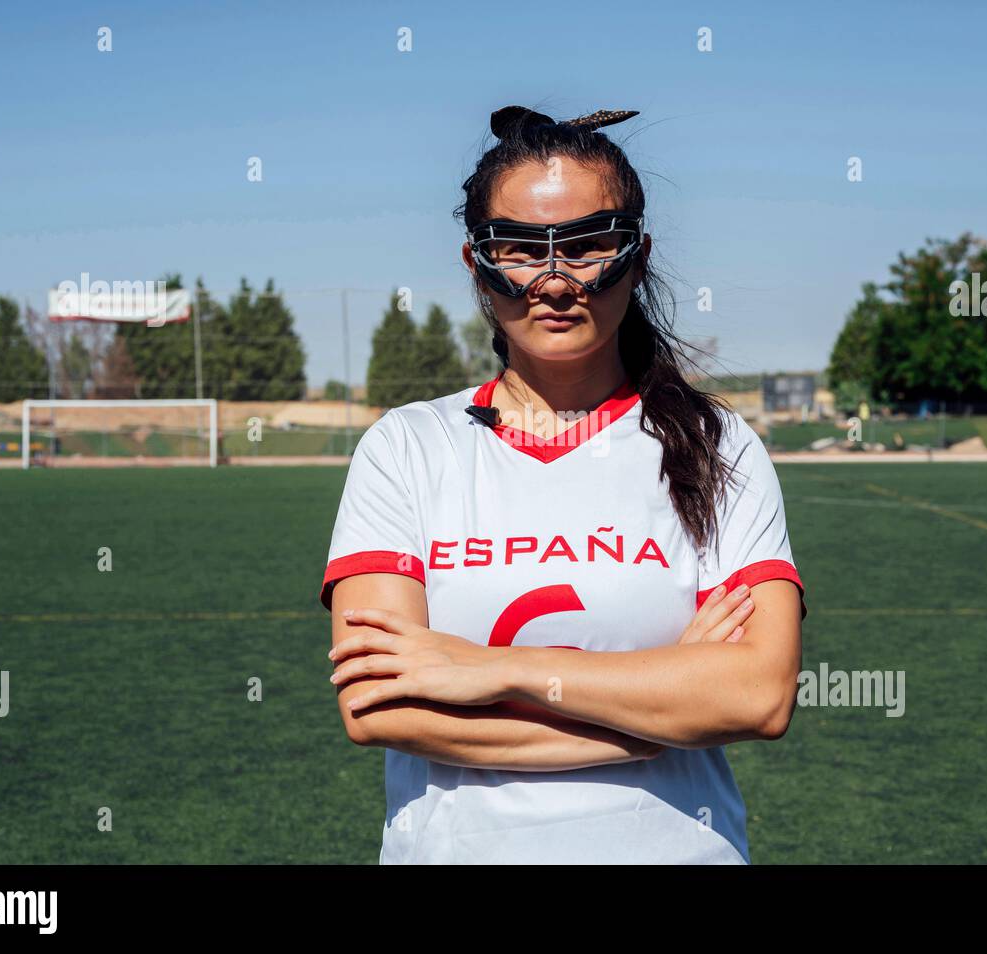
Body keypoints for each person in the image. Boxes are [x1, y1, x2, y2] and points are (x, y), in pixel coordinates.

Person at [321, 104, 806, 864]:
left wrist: (486, 667)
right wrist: (647, 721)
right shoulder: (407, 448)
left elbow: (758, 694)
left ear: (637, 257)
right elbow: (379, 704)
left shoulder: (717, 445)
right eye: (518, 248)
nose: (553, 282)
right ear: (475, 263)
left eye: (587, 246)